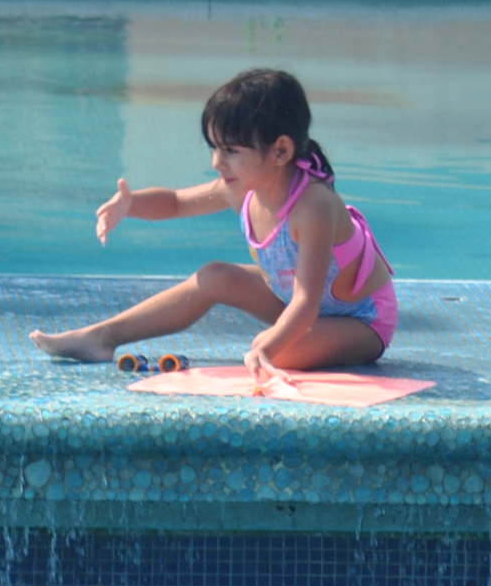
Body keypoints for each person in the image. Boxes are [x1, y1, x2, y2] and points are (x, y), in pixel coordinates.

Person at [31, 67, 396, 374]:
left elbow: (306, 301)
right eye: (216, 148)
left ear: (281, 150)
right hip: (299, 308)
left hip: (361, 320)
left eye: (231, 151)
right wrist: (130, 204)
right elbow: (175, 203)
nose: (217, 163)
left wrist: (267, 347)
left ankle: (289, 345)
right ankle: (102, 338)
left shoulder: (313, 206)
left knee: (273, 350)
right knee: (214, 277)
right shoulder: (243, 190)